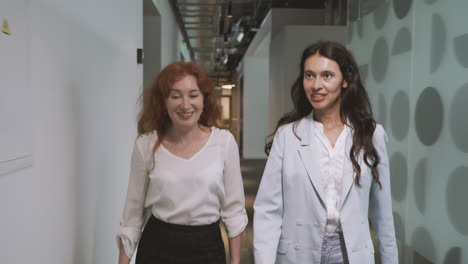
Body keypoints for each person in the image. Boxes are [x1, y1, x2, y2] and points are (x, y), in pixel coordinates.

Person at [253, 41, 398, 264]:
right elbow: (268, 211)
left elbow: (383, 215)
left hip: (351, 252)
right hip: (298, 250)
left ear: (345, 80)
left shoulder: (371, 134)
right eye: (309, 75)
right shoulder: (288, 136)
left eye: (327, 75)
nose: (316, 85)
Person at [117, 62, 247, 264]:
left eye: (193, 95)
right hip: (157, 248)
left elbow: (234, 211)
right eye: (175, 96)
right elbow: (132, 216)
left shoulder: (224, 142)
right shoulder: (146, 145)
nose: (185, 105)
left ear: (204, 100)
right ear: (164, 102)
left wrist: (236, 261)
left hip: (207, 248)